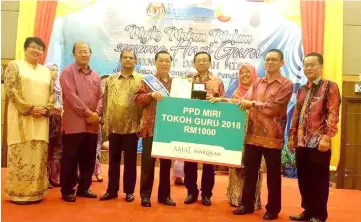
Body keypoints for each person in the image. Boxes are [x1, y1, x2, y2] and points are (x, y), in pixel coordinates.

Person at [233, 49, 293, 220]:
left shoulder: (286, 84)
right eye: (267, 59)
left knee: (273, 175)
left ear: (282, 63)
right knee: (250, 172)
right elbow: (241, 101)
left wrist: (251, 103)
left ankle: (273, 209)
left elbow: (274, 108)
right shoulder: (257, 82)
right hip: (252, 135)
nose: (270, 62)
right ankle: (247, 204)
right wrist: (220, 101)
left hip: (273, 138)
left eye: (274, 60)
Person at [288, 52, 341, 222]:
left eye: (312, 64)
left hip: (319, 142)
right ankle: (308, 211)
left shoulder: (329, 86)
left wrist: (327, 137)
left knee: (319, 180)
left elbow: (333, 113)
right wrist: (292, 136)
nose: (308, 68)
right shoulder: (302, 89)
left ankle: (319, 214)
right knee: (304, 178)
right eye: (306, 65)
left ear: (321, 67)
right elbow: (296, 114)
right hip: (301, 142)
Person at [4, 37, 54, 205]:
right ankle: (19, 194)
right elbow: (11, 90)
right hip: (22, 118)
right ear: (25, 49)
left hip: (41, 120)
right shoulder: (14, 66)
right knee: (21, 153)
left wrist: (46, 108)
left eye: (40, 48)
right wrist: (30, 108)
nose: (36, 50)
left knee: (38, 155)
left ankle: (36, 193)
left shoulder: (46, 72)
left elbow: (52, 93)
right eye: (32, 47)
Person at [211, 64, 263, 208]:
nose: (244, 75)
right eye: (241, 73)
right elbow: (233, 105)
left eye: (248, 72)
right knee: (237, 166)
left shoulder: (260, 91)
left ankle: (252, 200)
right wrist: (222, 101)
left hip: (255, 135)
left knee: (253, 167)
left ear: (254, 74)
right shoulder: (236, 93)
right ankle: (236, 197)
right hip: (238, 136)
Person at [60, 41, 103, 202]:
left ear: (90, 54)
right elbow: (71, 97)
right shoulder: (67, 72)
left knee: (89, 158)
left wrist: (97, 113)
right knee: (70, 159)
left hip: (92, 126)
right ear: (74, 54)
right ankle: (67, 190)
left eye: (86, 51)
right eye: (80, 52)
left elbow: (101, 97)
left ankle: (84, 188)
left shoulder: (96, 76)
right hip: (74, 125)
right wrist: (88, 113)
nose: (84, 54)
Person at [100, 49, 143, 202]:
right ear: (120, 60)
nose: (128, 60)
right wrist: (105, 121)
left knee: (131, 162)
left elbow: (144, 104)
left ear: (135, 61)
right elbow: (105, 101)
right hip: (114, 127)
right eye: (125, 57)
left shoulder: (141, 80)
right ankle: (111, 190)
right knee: (114, 161)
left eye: (131, 58)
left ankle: (129, 192)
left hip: (132, 127)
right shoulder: (111, 79)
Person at [134, 50, 176, 207]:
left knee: (166, 165)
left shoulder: (176, 84)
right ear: (155, 62)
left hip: (168, 129)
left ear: (171, 63)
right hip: (150, 128)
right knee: (147, 163)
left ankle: (164, 196)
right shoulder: (147, 81)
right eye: (161, 60)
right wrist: (150, 95)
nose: (164, 63)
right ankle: (145, 196)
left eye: (167, 61)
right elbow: (137, 100)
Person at [184, 52, 225, 206]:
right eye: (198, 61)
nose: (201, 63)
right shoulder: (187, 81)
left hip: (209, 126)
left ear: (210, 63)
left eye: (204, 60)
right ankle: (191, 192)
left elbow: (223, 103)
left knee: (209, 162)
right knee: (190, 162)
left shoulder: (217, 82)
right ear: (194, 63)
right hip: (190, 126)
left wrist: (215, 100)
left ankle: (207, 194)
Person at [46, 63, 63, 188]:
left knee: (57, 148)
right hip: (46, 119)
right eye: (52, 70)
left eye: (57, 70)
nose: (55, 72)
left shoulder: (59, 87)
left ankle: (55, 175)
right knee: (46, 149)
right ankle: (44, 177)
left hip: (58, 120)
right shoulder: (43, 86)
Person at [93, 74, 110, 183]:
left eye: (106, 84)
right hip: (92, 122)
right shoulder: (94, 94)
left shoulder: (112, 96)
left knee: (97, 149)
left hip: (106, 126)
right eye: (102, 83)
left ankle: (97, 172)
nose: (104, 86)